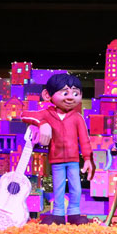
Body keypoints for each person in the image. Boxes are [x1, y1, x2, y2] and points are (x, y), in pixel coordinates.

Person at [20, 73, 94, 224]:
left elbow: (85, 140)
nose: (70, 97)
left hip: (74, 160)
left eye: (75, 93)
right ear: (48, 95)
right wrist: (42, 123)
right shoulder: (47, 114)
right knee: (58, 188)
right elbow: (24, 115)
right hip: (56, 160)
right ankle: (58, 213)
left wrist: (87, 158)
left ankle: (74, 213)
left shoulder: (77, 117)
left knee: (76, 188)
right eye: (65, 92)